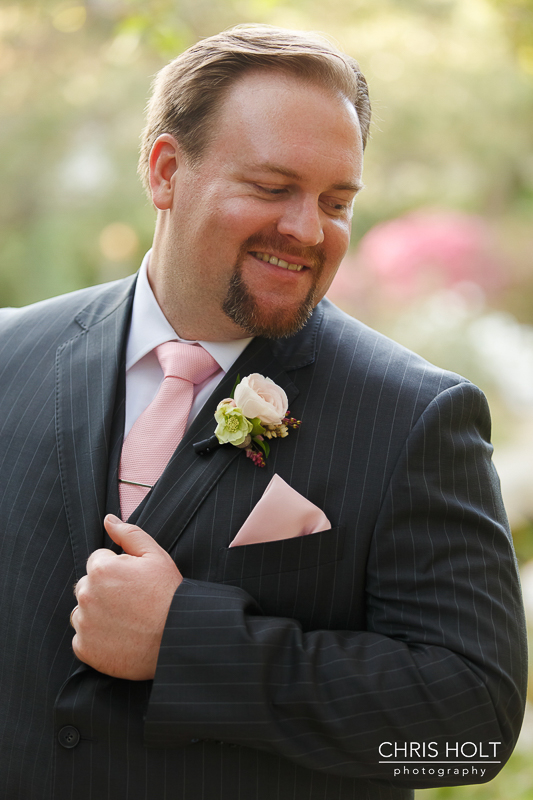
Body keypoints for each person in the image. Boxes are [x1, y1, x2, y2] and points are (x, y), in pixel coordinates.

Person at [0, 24, 527, 800]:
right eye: (272, 187)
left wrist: (189, 644)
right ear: (165, 170)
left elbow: (467, 737)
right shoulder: (11, 353)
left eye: (336, 201)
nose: (308, 230)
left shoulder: (416, 416)